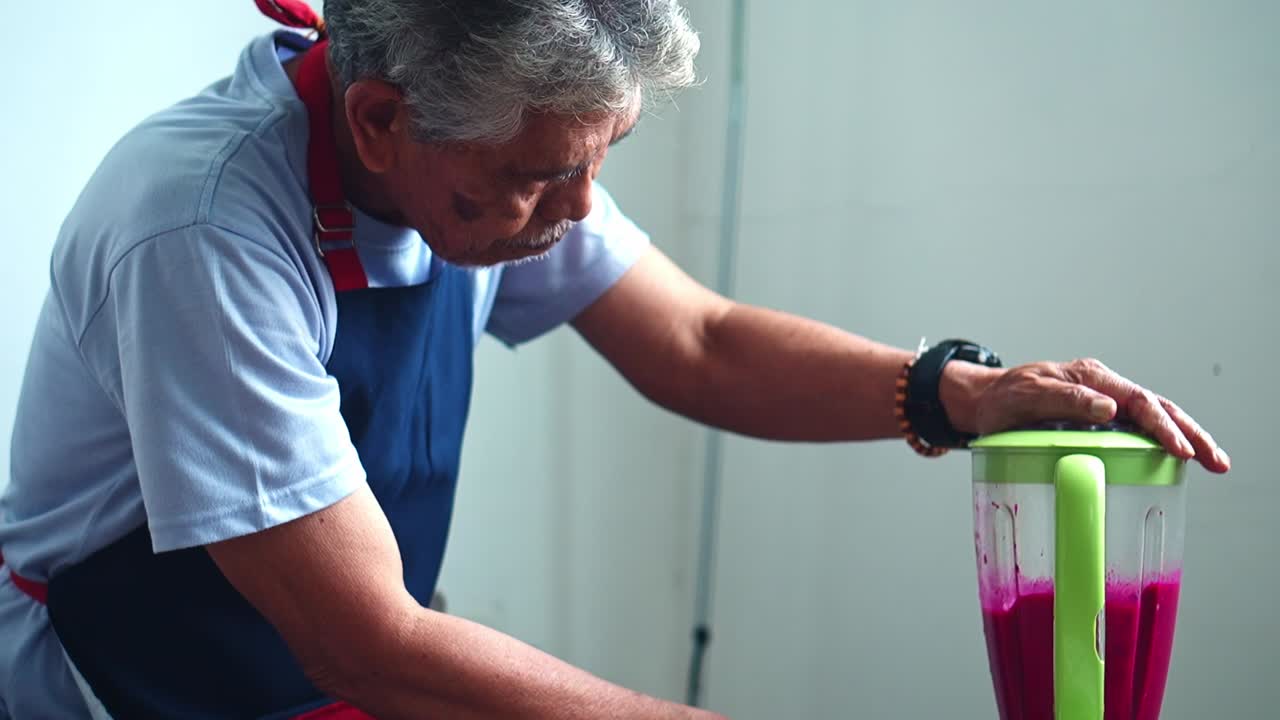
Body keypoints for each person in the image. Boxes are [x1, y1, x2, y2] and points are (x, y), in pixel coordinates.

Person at [0, 1, 1229, 718]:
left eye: (606, 156)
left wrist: (955, 394)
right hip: (128, 680)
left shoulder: (470, 158)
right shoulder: (204, 227)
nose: (582, 211)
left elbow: (696, 342)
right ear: (379, 123)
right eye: (543, 174)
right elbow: (367, 640)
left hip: (328, 663)